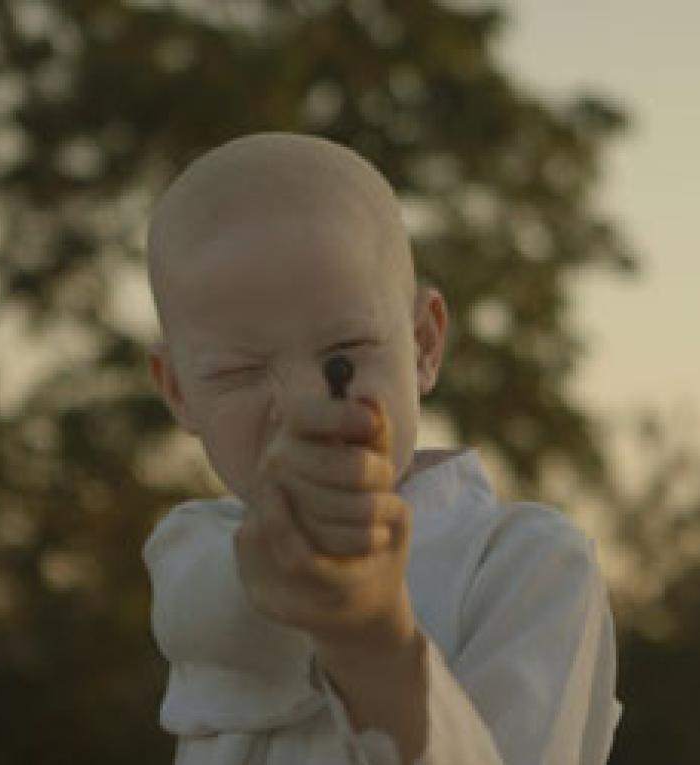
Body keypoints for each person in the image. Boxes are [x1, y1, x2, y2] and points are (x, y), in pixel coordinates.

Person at [143, 131, 623, 764]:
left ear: (424, 344)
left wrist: (375, 638)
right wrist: (317, 580)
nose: (301, 404)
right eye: (239, 373)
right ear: (177, 391)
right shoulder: (194, 552)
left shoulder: (527, 566)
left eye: (342, 357)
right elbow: (235, 608)